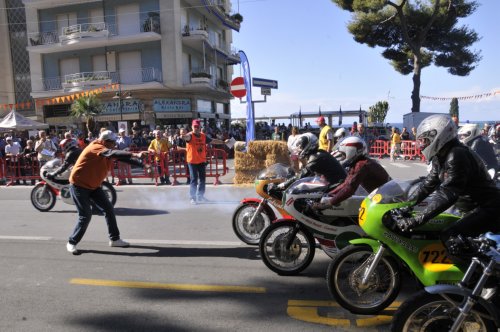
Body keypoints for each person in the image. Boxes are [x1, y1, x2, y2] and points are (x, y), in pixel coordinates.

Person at [394, 115, 500, 261]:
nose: (423, 144)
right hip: (472, 208)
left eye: (425, 140)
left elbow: (448, 193)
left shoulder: (456, 155)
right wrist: (406, 205)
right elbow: (428, 184)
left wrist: (417, 220)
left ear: (439, 135)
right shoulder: (442, 155)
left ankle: (481, 274)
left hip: (487, 208)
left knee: (450, 236)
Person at [66, 130, 148, 254]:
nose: (114, 144)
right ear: (104, 141)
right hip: (79, 185)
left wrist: (143, 165)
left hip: (93, 186)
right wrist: (135, 154)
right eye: (112, 142)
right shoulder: (96, 147)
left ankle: (114, 239)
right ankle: (72, 242)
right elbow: (111, 153)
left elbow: (120, 156)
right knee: (85, 215)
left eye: (115, 142)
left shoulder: (107, 149)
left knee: (108, 209)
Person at [313, 136, 391, 210]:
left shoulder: (361, 165)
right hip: (381, 196)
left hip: (385, 199)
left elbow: (350, 188)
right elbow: (346, 183)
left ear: (351, 151)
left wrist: (330, 203)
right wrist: (329, 194)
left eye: (343, 154)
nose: (342, 157)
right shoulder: (359, 162)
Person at [182, 119, 227, 205]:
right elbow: (186, 137)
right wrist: (183, 136)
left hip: (201, 161)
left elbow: (212, 140)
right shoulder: (190, 136)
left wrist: (223, 142)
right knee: (194, 179)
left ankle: (200, 196)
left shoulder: (203, 136)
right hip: (192, 161)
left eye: (198, 127)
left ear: (200, 127)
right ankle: (193, 198)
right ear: (192, 127)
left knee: (202, 179)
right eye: (195, 126)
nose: (196, 128)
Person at [278, 133, 347, 190]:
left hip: (337, 186)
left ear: (309, 145)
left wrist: (284, 184)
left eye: (301, 147)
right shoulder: (319, 153)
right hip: (336, 183)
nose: (299, 150)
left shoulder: (315, 158)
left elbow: (302, 175)